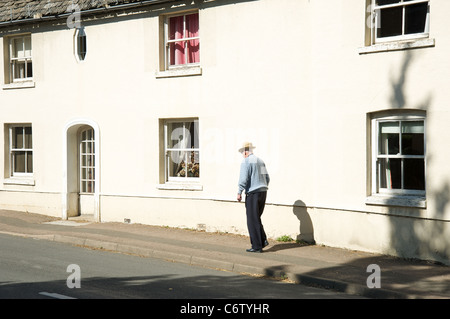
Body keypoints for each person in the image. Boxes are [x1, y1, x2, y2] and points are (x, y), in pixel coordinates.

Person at [237, 142, 270, 253]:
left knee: (252, 220)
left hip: (253, 193)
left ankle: (256, 246)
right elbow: (267, 177)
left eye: (242, 153)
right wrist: (263, 186)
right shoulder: (260, 161)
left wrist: (239, 191)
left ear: (246, 151)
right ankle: (263, 240)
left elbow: (243, 178)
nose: (242, 155)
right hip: (263, 192)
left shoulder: (246, 162)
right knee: (256, 218)